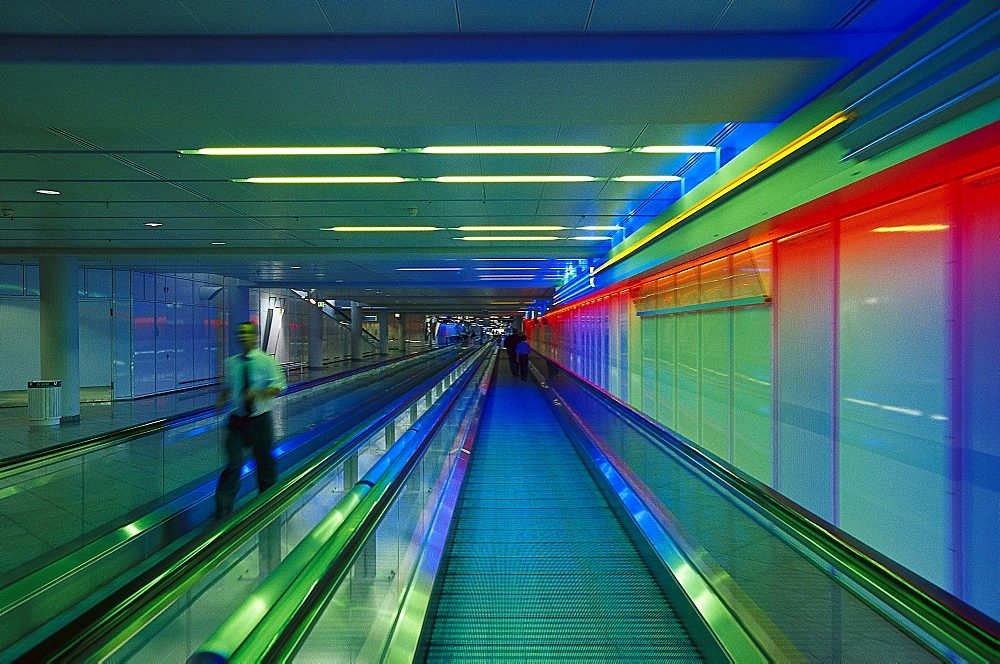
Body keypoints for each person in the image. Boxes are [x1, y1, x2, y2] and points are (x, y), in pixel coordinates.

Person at [214, 321, 287, 520]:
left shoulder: (266, 361)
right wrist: (222, 398)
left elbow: (279, 386)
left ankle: (267, 504)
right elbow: (230, 386)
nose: (243, 337)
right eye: (241, 333)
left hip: (259, 420)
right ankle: (221, 513)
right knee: (233, 465)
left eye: (247, 333)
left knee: (264, 463)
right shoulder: (232, 362)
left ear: (254, 336)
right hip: (237, 421)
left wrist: (259, 394)